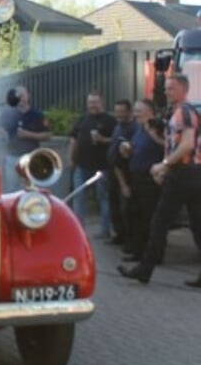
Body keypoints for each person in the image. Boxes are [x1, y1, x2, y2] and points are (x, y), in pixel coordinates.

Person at [118, 75, 201, 285]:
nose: (166, 92)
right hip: (189, 172)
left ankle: (144, 270)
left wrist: (164, 165)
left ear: (183, 89)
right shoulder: (179, 112)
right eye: (166, 88)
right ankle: (145, 269)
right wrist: (166, 165)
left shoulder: (184, 112)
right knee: (198, 224)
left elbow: (188, 145)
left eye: (171, 89)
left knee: (159, 221)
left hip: (185, 173)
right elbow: (175, 145)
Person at [118, 100, 164, 262]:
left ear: (150, 112)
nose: (135, 114)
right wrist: (128, 149)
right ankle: (139, 251)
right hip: (136, 177)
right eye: (135, 111)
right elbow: (137, 148)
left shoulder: (157, 127)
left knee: (149, 217)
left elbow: (167, 146)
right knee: (136, 215)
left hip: (150, 179)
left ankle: (153, 255)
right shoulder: (139, 129)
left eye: (139, 111)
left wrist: (154, 135)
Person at [69, 91, 118, 239]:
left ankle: (105, 230)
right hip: (82, 165)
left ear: (102, 102)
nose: (92, 105)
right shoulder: (83, 119)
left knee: (103, 198)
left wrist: (103, 139)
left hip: (102, 167)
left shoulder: (110, 120)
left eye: (95, 102)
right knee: (79, 197)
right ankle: (78, 230)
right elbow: (73, 139)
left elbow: (116, 141)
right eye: (90, 102)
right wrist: (71, 159)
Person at [0, 85, 51, 193]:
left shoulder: (37, 115)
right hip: (12, 158)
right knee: (11, 190)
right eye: (18, 95)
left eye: (23, 95)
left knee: (31, 189)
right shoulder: (7, 114)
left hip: (31, 158)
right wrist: (2, 134)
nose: (20, 97)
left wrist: (29, 134)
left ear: (28, 96)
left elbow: (47, 135)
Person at [106, 99, 137, 245]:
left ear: (129, 112)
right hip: (112, 173)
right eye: (116, 111)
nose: (118, 114)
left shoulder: (133, 128)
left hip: (125, 174)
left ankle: (129, 239)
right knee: (115, 206)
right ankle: (119, 235)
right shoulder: (118, 126)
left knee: (127, 209)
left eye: (121, 112)